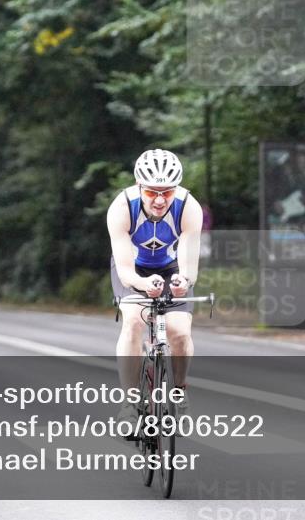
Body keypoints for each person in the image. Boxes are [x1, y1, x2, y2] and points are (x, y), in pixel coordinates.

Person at [108, 149, 202, 423]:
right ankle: (129, 404)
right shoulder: (122, 207)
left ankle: (179, 393)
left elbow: (188, 263)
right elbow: (126, 272)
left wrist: (183, 280)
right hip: (133, 268)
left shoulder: (188, 207)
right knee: (134, 322)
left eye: (167, 192)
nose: (160, 200)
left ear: (177, 189)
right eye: (152, 193)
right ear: (139, 187)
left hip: (171, 266)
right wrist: (142, 283)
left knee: (180, 333)